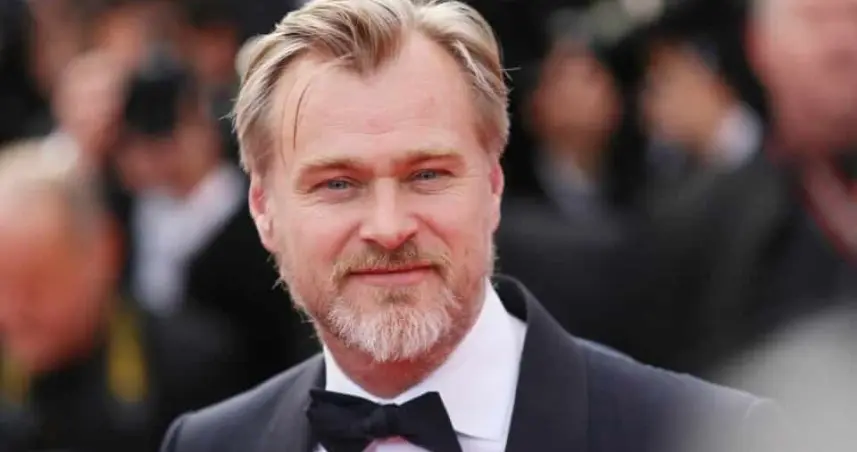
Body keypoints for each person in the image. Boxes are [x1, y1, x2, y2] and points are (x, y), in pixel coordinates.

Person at [160, 1, 779, 452]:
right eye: (338, 184)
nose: (389, 228)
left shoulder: (709, 437)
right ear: (264, 210)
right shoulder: (209, 444)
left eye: (427, 175)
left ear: (494, 186)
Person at [0, 140, 244, 452]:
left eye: (35, 283)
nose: (12, 309)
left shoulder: (195, 369)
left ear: (105, 251)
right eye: (1, 286)